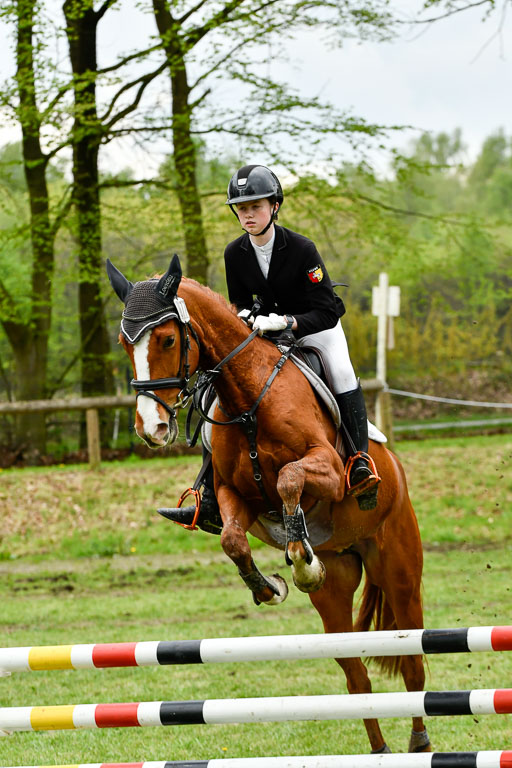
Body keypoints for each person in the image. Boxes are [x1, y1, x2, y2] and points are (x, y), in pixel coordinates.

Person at [164, 164, 380, 534]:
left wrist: (288, 322)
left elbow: (327, 309)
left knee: (342, 370)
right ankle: (209, 495)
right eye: (241, 208)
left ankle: (359, 461)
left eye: (256, 206)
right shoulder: (235, 253)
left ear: (274, 207)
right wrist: (248, 317)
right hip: (265, 336)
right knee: (217, 392)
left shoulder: (301, 248)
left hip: (314, 329)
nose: (248, 215)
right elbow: (239, 303)